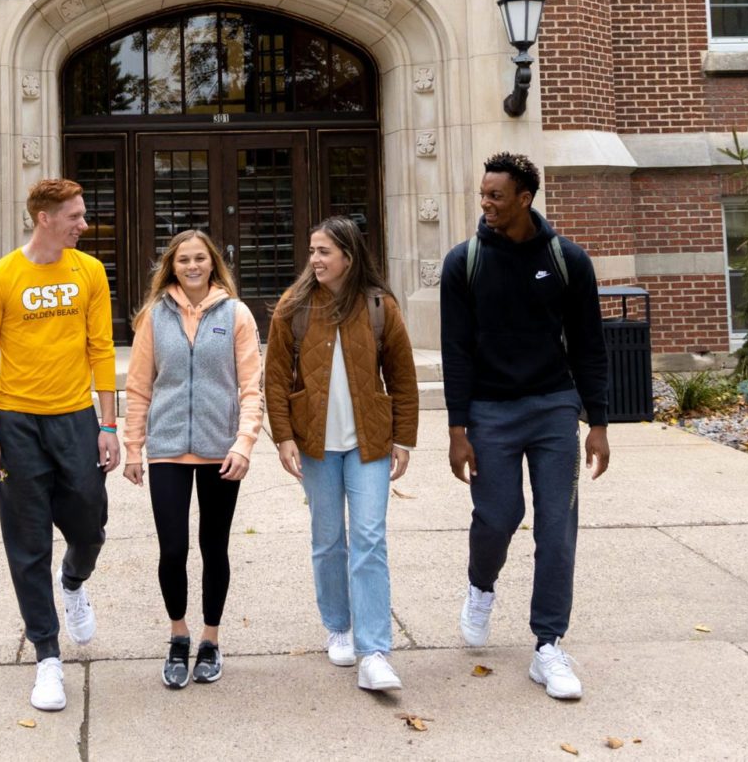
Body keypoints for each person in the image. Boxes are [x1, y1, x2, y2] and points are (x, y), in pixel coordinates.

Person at [440, 151, 612, 702]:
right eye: (482, 194)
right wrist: (457, 428)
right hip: (489, 410)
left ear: (524, 198)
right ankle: (481, 587)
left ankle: (547, 645)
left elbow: (590, 345)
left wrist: (599, 422)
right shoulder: (464, 263)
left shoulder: (568, 261)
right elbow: (456, 351)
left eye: (495, 195)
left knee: (556, 527)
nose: (485, 204)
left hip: (554, 408)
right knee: (497, 515)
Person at [0, 177, 120, 713]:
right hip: (17, 425)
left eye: (83, 214)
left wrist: (108, 425)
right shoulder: (0, 278)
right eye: (76, 216)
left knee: (90, 526)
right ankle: (47, 658)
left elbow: (101, 348)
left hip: (76, 420)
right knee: (27, 542)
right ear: (45, 218)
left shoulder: (90, 272)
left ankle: (74, 581)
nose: (84, 223)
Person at [264, 215, 420, 693]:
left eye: (324, 251)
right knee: (329, 538)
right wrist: (284, 437)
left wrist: (403, 438)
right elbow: (273, 378)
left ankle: (375, 651)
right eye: (312, 250)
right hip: (315, 445)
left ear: (348, 258)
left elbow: (403, 375)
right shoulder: (293, 307)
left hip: (368, 443)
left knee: (370, 538)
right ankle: (339, 626)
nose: (315, 259)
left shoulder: (378, 306)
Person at [121, 229, 263, 689]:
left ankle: (211, 639)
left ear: (212, 262)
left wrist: (244, 442)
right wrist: (132, 448)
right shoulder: (153, 317)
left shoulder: (236, 314)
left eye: (200, 258)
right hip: (166, 450)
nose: (193, 266)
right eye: (184, 260)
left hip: (221, 450)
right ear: (172, 265)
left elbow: (250, 387)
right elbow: (140, 386)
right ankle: (178, 635)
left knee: (213, 547)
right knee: (172, 549)